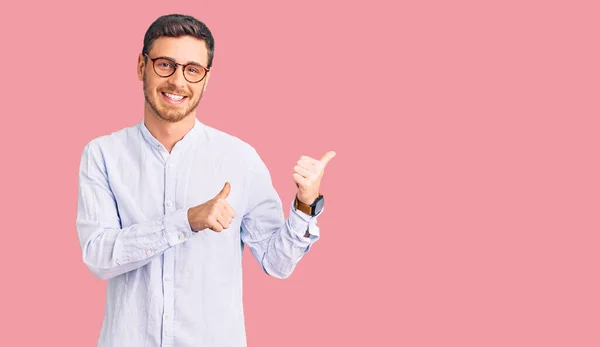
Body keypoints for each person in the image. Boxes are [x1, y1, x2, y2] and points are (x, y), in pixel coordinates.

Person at [75, 13, 335, 347]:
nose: (178, 81)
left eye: (192, 70)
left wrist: (305, 204)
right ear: (142, 66)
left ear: (206, 79)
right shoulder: (102, 155)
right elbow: (99, 256)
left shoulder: (239, 159)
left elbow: (276, 263)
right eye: (165, 64)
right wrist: (185, 221)